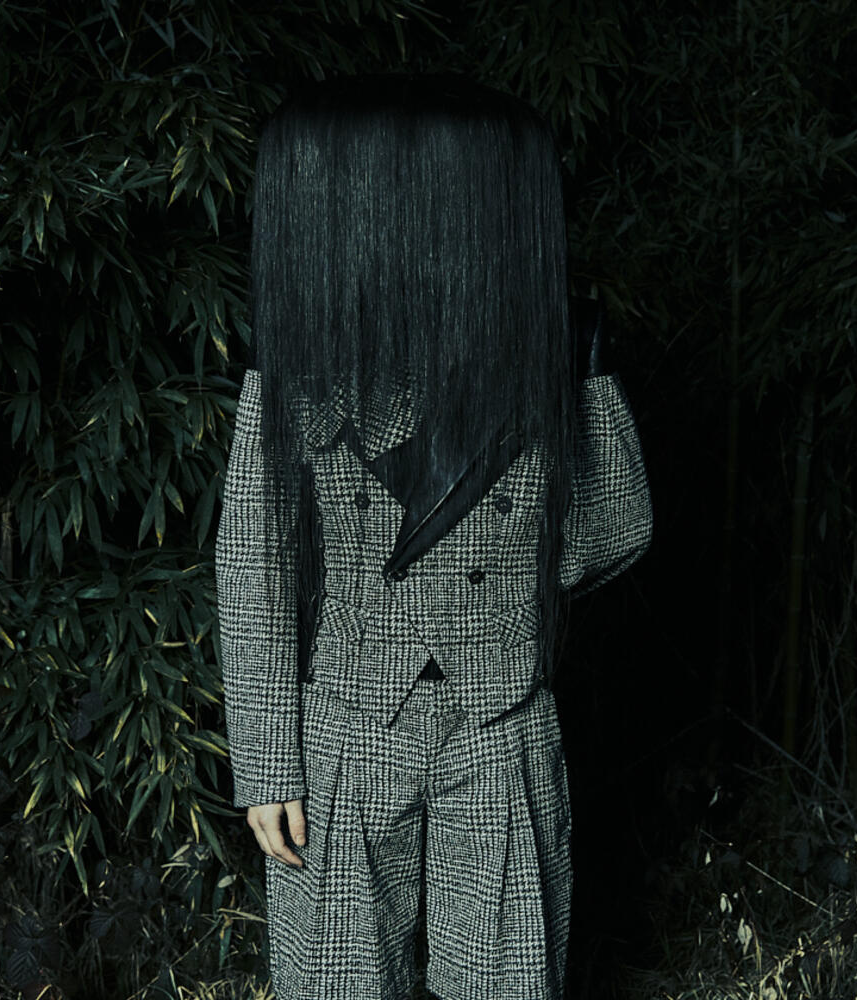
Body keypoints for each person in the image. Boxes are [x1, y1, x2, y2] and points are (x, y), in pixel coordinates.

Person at [216, 71, 652, 1000]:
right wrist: (265, 762)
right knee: (334, 984)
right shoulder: (305, 357)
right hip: (343, 724)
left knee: (507, 982)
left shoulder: (539, 354)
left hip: (501, 725)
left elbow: (612, 531)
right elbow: (253, 558)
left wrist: (589, 375)